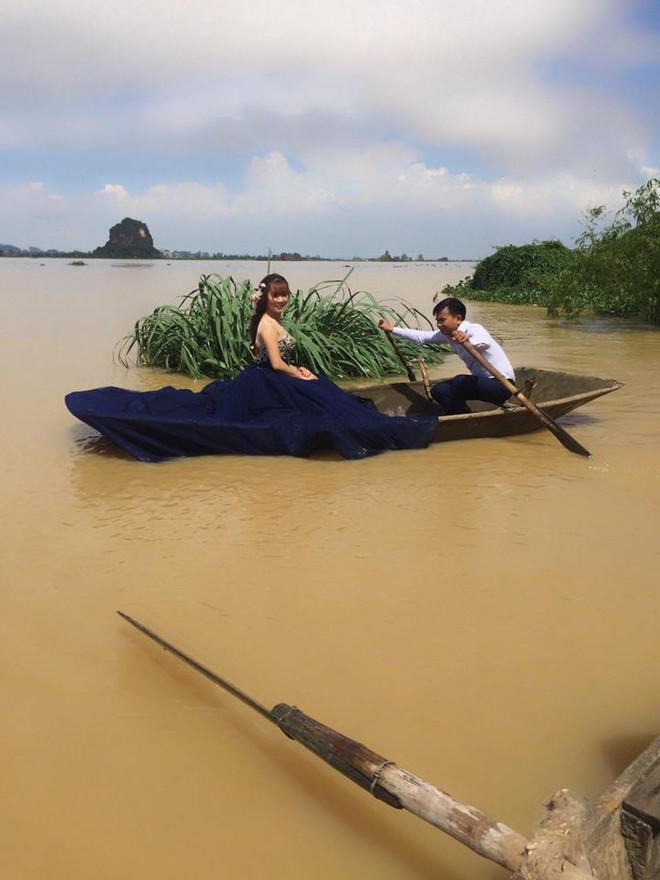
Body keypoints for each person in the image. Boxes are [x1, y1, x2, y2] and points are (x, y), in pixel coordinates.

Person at [65, 273, 438, 461]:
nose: (281, 300)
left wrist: (302, 372)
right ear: (267, 298)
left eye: (284, 295)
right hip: (271, 378)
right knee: (320, 396)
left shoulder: (267, 320)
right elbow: (277, 363)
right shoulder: (265, 323)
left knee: (324, 393)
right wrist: (301, 372)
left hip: (269, 377)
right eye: (276, 295)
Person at [378, 296, 515, 415]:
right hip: (483, 385)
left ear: (458, 319)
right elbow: (423, 337)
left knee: (460, 381)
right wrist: (392, 329)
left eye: (442, 320)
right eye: (437, 320)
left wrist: (468, 341)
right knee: (439, 391)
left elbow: (484, 343)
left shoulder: (473, 329)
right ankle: (463, 417)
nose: (438, 325)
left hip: (503, 385)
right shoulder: (448, 336)